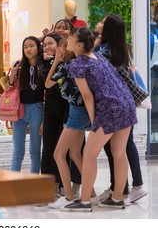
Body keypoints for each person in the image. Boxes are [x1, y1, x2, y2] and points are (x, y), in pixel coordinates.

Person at [62, 27, 137, 212]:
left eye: (71, 38)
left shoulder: (77, 64)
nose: (67, 40)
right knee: (119, 153)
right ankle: (118, 197)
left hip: (109, 108)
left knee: (89, 154)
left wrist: (95, 120)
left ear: (79, 45)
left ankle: (85, 201)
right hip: (126, 102)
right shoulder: (98, 56)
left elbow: (87, 96)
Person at [94, 14, 148, 204]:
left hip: (112, 103)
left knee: (115, 149)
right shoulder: (123, 48)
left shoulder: (102, 50)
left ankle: (121, 188)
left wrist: (96, 41)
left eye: (102, 22)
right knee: (126, 145)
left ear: (107, 29)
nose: (98, 23)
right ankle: (132, 185)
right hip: (128, 101)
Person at [45, 38, 97, 209]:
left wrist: (56, 62)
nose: (61, 48)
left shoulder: (65, 66)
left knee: (58, 154)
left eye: (61, 46)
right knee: (75, 154)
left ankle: (68, 197)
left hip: (76, 111)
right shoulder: (76, 63)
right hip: (80, 110)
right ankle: (92, 193)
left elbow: (48, 83)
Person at [7, 36, 45, 173]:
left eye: (32, 46)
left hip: (37, 109)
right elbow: (8, 89)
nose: (28, 49)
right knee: (18, 151)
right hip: (20, 109)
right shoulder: (18, 65)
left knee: (35, 151)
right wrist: (11, 79)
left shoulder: (44, 65)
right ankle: (13, 182)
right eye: (25, 47)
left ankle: (32, 182)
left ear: (38, 47)